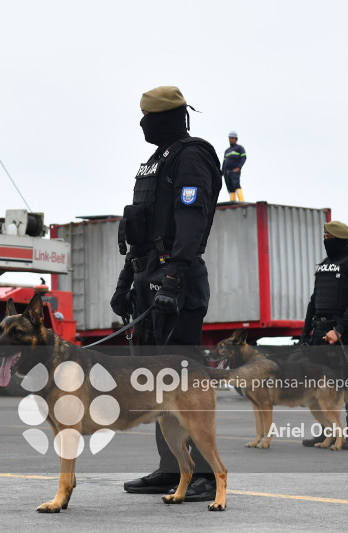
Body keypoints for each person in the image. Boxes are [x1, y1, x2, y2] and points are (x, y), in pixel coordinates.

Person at [109, 86, 222, 502]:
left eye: (147, 117)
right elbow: (144, 229)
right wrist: (127, 280)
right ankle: (171, 468)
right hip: (147, 275)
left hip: (178, 278)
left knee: (183, 380)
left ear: (166, 119)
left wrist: (173, 273)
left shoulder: (191, 156)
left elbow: (191, 220)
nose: (142, 125)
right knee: (154, 382)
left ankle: (205, 474)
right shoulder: (157, 162)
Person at [299, 220, 348, 450]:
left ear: (340, 240)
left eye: (328, 238)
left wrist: (339, 330)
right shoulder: (324, 266)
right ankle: (326, 433)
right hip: (320, 334)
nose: (325, 241)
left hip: (345, 336)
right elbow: (314, 301)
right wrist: (305, 332)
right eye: (324, 237)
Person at [221, 131, 246, 201]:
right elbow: (224, 162)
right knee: (229, 187)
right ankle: (232, 201)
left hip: (234, 170)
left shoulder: (239, 148)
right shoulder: (227, 150)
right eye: (230, 138)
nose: (230, 139)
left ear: (236, 139)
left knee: (236, 184)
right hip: (227, 171)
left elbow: (244, 158)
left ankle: (241, 201)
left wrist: (239, 167)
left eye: (232, 138)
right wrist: (222, 172)